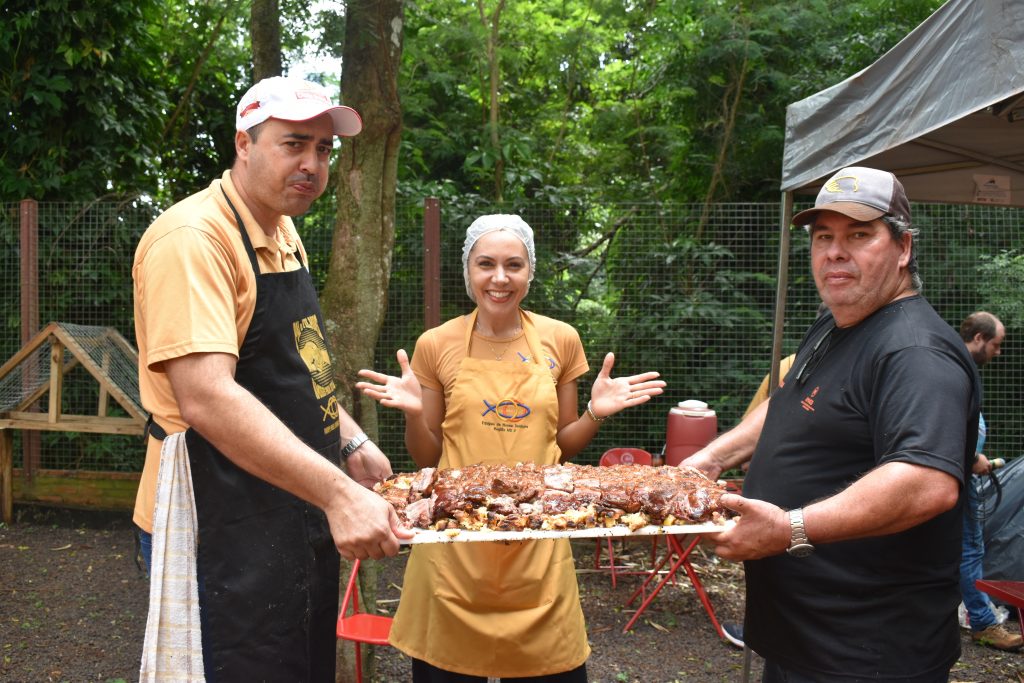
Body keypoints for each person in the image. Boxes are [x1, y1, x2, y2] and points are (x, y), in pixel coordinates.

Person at [132, 76, 410, 680]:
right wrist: (339, 492)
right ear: (244, 143)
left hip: (288, 505)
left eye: (323, 150)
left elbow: (301, 362)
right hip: (214, 518)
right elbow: (206, 397)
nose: (312, 164)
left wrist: (349, 440)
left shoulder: (283, 229)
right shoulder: (193, 240)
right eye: (293, 144)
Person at [683, 166, 982, 681]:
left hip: (867, 653)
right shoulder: (839, 318)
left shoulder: (915, 351)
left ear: (904, 247)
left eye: (859, 235)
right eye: (823, 237)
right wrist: (712, 456)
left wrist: (787, 529)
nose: (834, 252)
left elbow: (926, 484)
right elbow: (791, 401)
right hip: (803, 636)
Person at [356, 214, 666, 682]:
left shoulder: (560, 339)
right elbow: (427, 457)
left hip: (537, 548)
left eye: (513, 265)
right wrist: (414, 414)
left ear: (529, 271)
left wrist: (595, 414)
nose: (499, 278)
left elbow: (562, 444)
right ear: (468, 271)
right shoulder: (435, 344)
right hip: (452, 551)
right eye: (486, 264)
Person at [958, 312, 1021, 651]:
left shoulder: (957, 366)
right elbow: (948, 425)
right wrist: (971, 460)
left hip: (957, 476)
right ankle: (983, 622)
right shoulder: (956, 369)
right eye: (996, 345)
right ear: (979, 338)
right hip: (955, 478)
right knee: (970, 548)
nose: (998, 353)